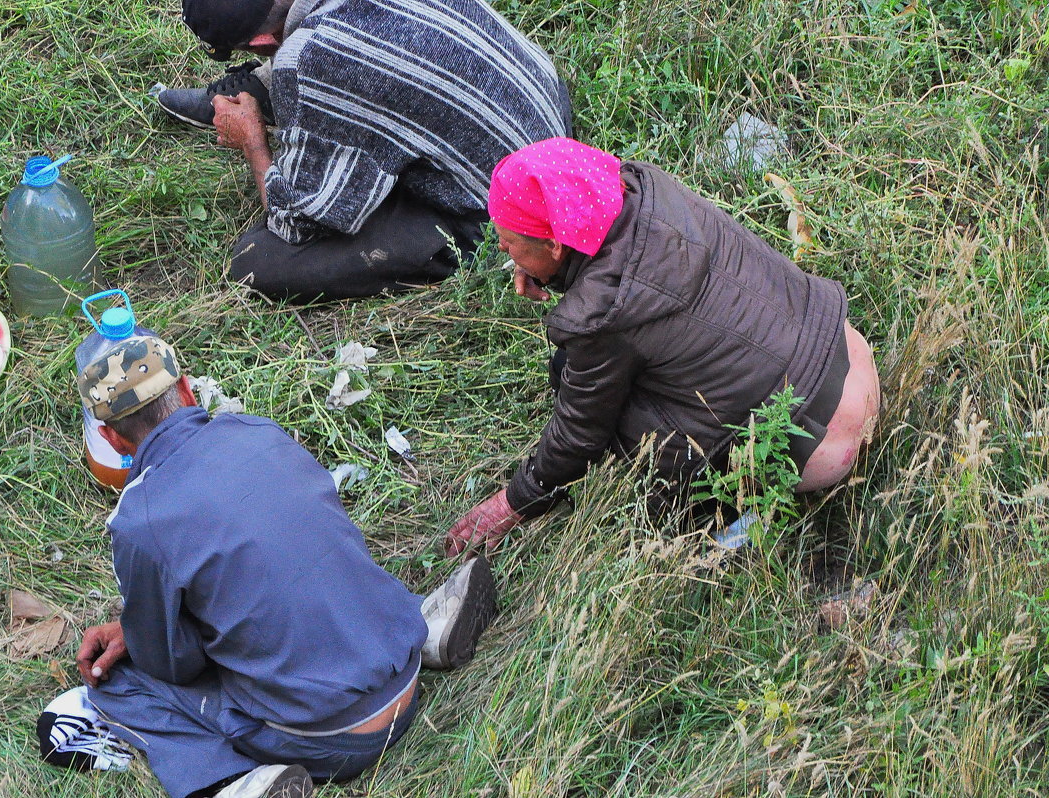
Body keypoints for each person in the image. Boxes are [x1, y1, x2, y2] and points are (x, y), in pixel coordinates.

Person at [67, 335, 498, 798]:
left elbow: (175, 664)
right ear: (187, 390)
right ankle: (424, 626)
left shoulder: (138, 519)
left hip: (336, 740)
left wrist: (147, 631)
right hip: (403, 672)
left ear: (111, 437)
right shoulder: (257, 430)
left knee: (116, 686)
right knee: (308, 560)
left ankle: (233, 783)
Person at [445, 138, 881, 555]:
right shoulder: (647, 188)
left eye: (510, 243)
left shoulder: (600, 319)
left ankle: (737, 521)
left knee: (578, 385)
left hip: (814, 445)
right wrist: (542, 267)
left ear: (556, 243)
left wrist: (514, 501)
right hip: (844, 350)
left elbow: (579, 434)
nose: (504, 251)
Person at [156, 0, 572, 302]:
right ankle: (268, 89)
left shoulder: (310, 60)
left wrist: (254, 143)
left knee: (256, 259)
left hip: (510, 210)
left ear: (264, 40)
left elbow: (293, 221)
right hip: (548, 126)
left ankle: (277, 94)